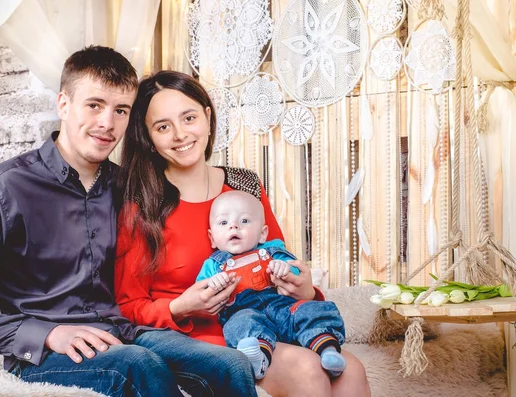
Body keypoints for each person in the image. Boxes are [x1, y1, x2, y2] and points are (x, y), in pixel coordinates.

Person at [0, 46, 257, 397]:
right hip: (50, 350)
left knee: (230, 364)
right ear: (63, 104)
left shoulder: (129, 187)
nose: (107, 123)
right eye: (94, 105)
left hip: (124, 331)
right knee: (138, 364)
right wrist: (47, 333)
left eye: (121, 111)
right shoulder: (4, 187)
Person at [115, 69, 371, 397]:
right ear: (149, 138)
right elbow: (127, 305)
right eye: (163, 127)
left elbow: (277, 258)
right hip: (196, 338)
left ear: (208, 116)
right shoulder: (140, 204)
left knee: (351, 371)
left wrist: (303, 287)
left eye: (189, 117)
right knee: (307, 371)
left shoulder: (243, 185)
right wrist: (181, 306)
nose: (180, 134)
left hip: (266, 318)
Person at [197, 190, 346, 380]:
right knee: (240, 325)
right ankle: (257, 357)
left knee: (311, 310)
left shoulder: (272, 251)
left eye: (244, 221)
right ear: (212, 238)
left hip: (284, 308)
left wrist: (284, 269)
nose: (233, 226)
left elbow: (296, 275)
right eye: (223, 223)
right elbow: (201, 294)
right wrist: (212, 284)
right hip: (245, 312)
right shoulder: (213, 265)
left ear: (262, 233)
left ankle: (328, 350)